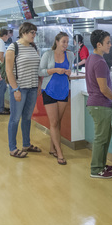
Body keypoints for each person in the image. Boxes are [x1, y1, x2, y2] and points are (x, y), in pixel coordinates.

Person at [85, 29, 112, 179]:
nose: (110, 45)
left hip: (97, 104)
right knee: (101, 138)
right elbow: (104, 89)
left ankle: (101, 164)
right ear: (99, 44)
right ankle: (96, 169)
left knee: (105, 137)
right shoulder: (100, 62)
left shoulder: (91, 58)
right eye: (107, 42)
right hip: (100, 104)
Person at [5, 22, 41, 159]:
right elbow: (9, 71)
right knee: (14, 119)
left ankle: (26, 144)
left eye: (35, 33)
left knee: (27, 118)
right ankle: (13, 148)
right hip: (20, 88)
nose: (34, 35)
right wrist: (15, 89)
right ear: (23, 32)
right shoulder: (13, 48)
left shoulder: (33, 47)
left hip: (32, 88)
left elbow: (36, 69)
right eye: (32, 32)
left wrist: (38, 85)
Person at [39, 32, 74, 165]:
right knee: (53, 122)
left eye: (67, 42)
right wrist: (54, 70)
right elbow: (40, 71)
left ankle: (52, 148)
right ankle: (59, 153)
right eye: (63, 41)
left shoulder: (70, 55)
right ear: (57, 41)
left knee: (57, 122)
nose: (66, 44)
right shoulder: (48, 54)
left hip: (63, 90)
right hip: (49, 90)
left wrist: (69, 72)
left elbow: (70, 70)